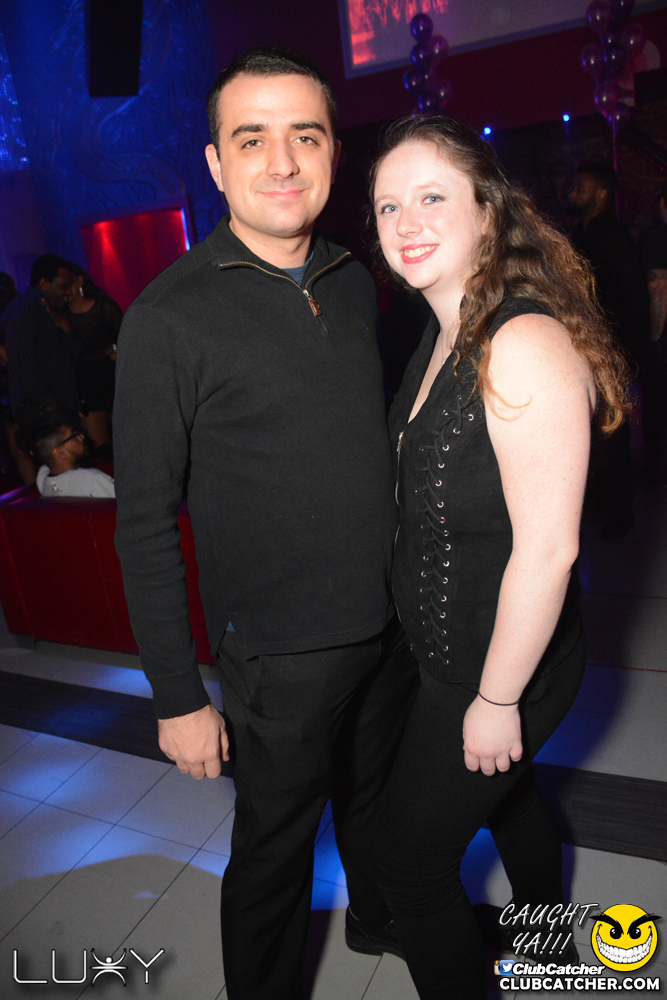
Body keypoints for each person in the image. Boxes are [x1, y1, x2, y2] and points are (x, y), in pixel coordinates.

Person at [113, 46, 418, 1000]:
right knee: (275, 857)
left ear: (333, 153)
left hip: (387, 628)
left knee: (375, 803)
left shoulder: (355, 279)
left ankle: (375, 917)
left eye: (305, 135)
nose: (282, 162)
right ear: (215, 163)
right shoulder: (169, 317)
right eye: (252, 139)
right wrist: (177, 697)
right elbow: (143, 521)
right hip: (280, 659)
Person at [370, 116, 629, 1000]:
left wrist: (494, 700)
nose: (405, 221)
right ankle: (550, 951)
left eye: (430, 196)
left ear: (487, 210)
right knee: (509, 801)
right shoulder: (443, 330)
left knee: (410, 867)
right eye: (387, 206)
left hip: (496, 666)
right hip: (455, 648)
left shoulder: (519, 343)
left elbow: (548, 551)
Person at [569, 163, 653, 519]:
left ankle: (620, 511)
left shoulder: (614, 238)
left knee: (611, 430)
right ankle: (603, 502)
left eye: (582, 186)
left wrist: (627, 353)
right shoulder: (583, 234)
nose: (574, 191)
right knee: (590, 427)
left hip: (610, 349)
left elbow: (632, 299)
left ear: (602, 194)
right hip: (588, 346)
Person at [2, 254, 79, 421]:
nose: (69, 292)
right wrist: (49, 405)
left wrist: (67, 330)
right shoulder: (25, 307)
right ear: (44, 283)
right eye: (64, 286)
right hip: (44, 413)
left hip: (60, 406)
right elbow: (24, 361)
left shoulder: (51, 310)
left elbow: (71, 357)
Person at [67, 265, 122, 452]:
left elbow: (127, 342)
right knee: (101, 449)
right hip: (86, 386)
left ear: (79, 280)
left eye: (69, 283)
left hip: (113, 377)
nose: (66, 290)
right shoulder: (62, 318)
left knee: (129, 441)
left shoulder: (105, 308)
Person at [26, 417, 115, 497]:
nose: (82, 437)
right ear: (60, 452)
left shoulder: (42, 479)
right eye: (74, 436)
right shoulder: (91, 479)